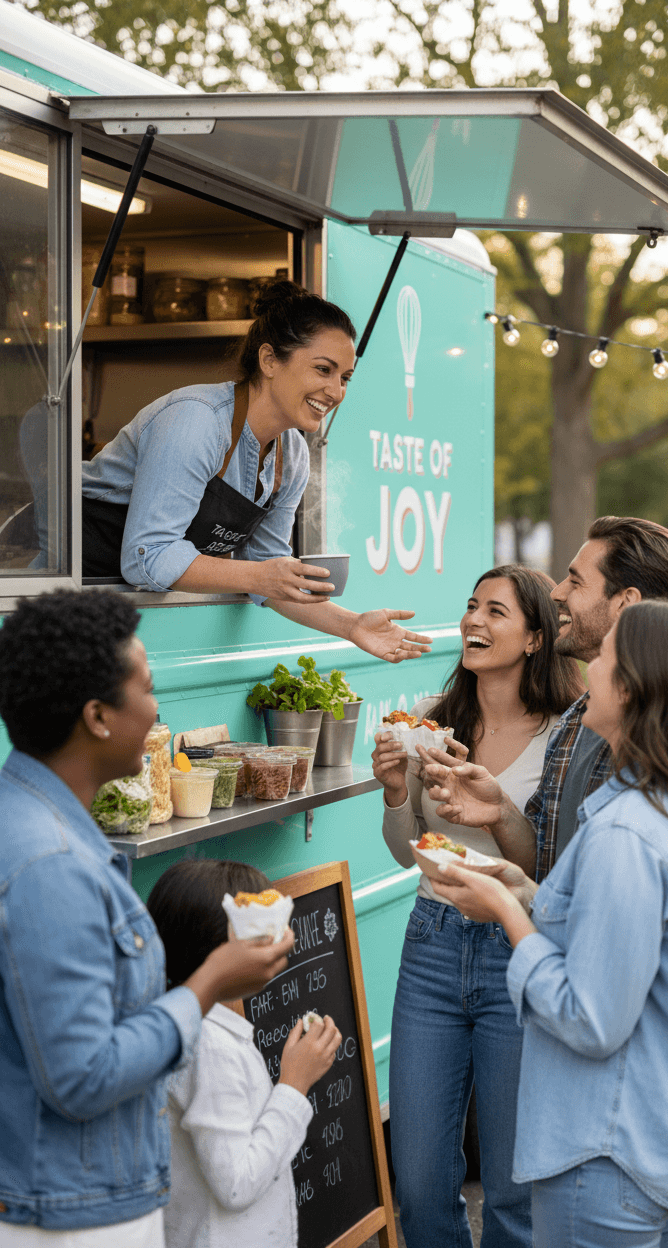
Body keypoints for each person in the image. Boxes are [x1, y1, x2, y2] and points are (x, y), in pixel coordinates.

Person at [434, 601, 668, 1248]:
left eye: (605, 657)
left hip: (605, 1158)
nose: (588, 667)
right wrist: (520, 888)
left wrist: (500, 911)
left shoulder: (626, 835)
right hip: (657, 1148)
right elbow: (622, 945)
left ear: (634, 687)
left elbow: (588, 1017)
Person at [0, 589, 294, 1244]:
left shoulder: (32, 820)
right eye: (147, 688)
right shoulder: (50, 865)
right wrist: (210, 982)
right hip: (72, 1214)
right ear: (99, 716)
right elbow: (83, 1076)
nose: (158, 708)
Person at [372, 565, 584, 1248]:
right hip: (430, 942)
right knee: (420, 1182)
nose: (474, 622)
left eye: (496, 611)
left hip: (514, 947)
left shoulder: (564, 738)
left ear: (533, 639)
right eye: (470, 607)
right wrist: (396, 793)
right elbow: (410, 855)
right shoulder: (434, 724)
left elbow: (543, 865)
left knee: (512, 1192)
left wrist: (493, 811)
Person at [80, 279, 430, 666]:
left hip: (132, 616)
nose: (335, 391)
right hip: (73, 593)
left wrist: (351, 625)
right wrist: (257, 576)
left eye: (344, 377)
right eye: (323, 369)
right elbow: (148, 557)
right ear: (268, 361)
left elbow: (269, 572)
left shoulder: (292, 453)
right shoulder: (196, 422)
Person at [419, 516, 668, 881]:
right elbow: (547, 868)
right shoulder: (573, 721)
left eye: (576, 581)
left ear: (625, 603)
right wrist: (500, 810)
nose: (557, 592)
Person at [146, 859, 342, 1248]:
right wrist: (294, 1083)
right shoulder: (211, 1048)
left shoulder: (188, 1023)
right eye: (258, 930)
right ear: (221, 953)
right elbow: (236, 1183)